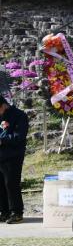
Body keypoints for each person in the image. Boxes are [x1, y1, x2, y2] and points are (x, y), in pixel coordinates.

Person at [0, 94, 29, 224]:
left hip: (13, 155)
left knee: (11, 184)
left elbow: (19, 137)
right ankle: (4, 212)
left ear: (3, 105)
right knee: (1, 184)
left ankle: (16, 212)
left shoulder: (19, 115)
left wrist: (2, 140)